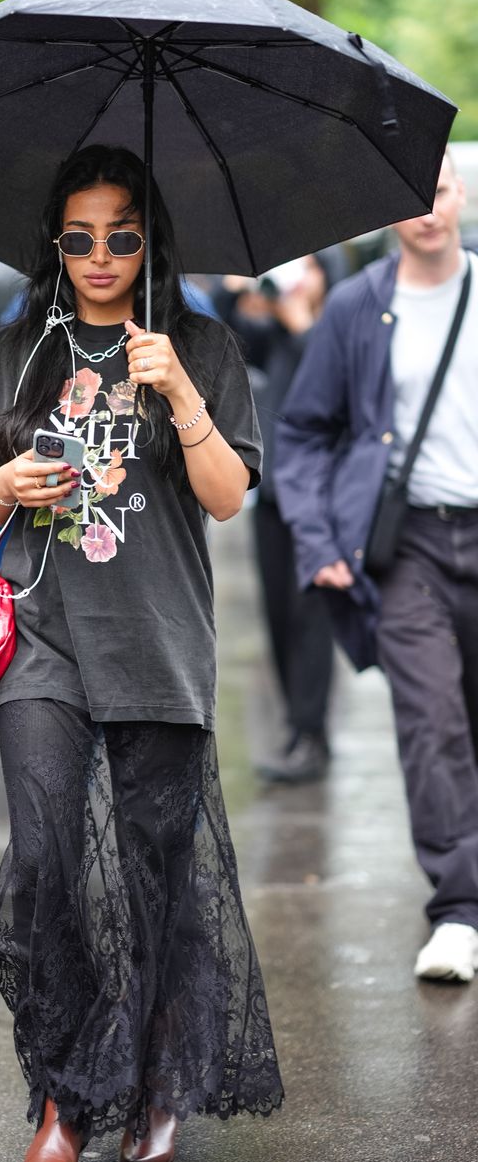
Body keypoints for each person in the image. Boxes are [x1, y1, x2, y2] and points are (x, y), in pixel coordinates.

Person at [0, 145, 283, 1162]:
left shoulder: (199, 345)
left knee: (150, 881)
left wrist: (178, 391)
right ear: (54, 244)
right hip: (41, 640)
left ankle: (149, 1088)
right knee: (48, 864)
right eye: (80, 237)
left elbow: (227, 496)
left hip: (157, 642)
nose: (101, 256)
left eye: (123, 235)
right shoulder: (12, 352)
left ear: (150, 242)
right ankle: (60, 1091)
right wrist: (4, 482)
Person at [275, 151, 478, 983]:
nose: (426, 210)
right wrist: (318, 541)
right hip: (407, 546)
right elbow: (301, 431)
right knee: (432, 722)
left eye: (438, 191)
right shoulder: (360, 307)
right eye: (409, 197)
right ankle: (460, 911)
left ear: (461, 194)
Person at [215, 252, 348, 783]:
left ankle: (312, 733)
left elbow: (337, 393)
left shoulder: (335, 328)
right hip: (273, 495)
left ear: (325, 278)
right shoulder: (273, 331)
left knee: (313, 615)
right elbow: (225, 328)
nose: (298, 278)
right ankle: (298, 727)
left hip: (322, 497)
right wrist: (233, 287)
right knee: (279, 617)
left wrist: (302, 329)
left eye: (309, 269)